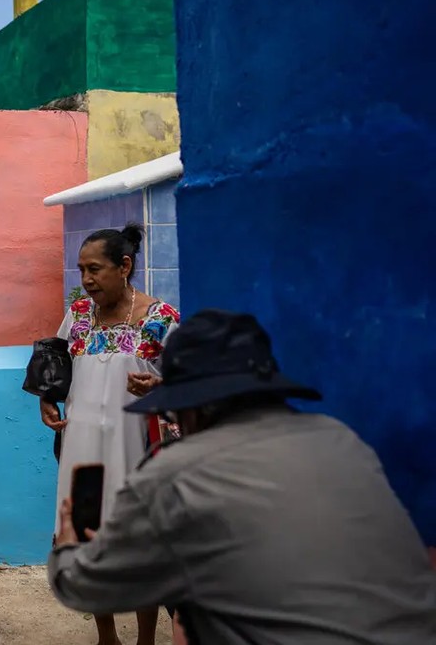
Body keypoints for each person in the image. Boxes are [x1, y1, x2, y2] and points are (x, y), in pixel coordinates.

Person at [49, 309, 436, 644]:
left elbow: (86, 587)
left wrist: (69, 548)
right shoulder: (341, 439)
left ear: (193, 409)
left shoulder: (175, 473)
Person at [39, 225, 180, 645]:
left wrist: (158, 388)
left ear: (124, 266)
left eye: (95, 269)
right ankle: (106, 637)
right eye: (82, 270)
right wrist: (46, 400)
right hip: (83, 450)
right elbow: (59, 369)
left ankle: (144, 640)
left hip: (137, 450)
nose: (86, 279)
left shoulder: (161, 320)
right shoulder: (79, 316)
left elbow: (189, 385)